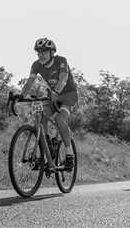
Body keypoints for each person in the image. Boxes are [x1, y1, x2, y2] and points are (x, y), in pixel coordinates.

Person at [20, 37, 78, 171]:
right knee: (39, 114)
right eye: (39, 52)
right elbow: (30, 82)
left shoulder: (61, 60)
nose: (41, 55)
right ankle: (47, 148)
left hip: (68, 96)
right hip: (52, 96)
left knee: (59, 119)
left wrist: (56, 91)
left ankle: (69, 155)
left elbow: (63, 78)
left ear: (52, 53)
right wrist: (21, 96)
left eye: (44, 52)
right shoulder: (36, 65)